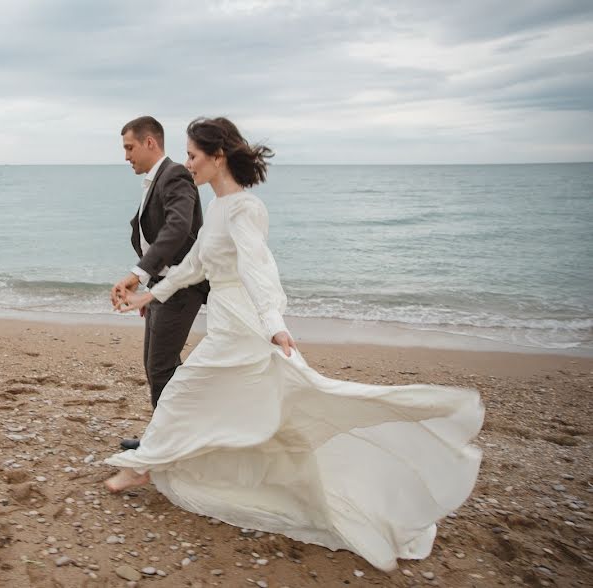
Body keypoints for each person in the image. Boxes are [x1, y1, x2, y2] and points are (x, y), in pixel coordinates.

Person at [105, 117, 484, 572]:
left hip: (243, 324)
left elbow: (258, 267)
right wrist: (150, 293)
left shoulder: (245, 209)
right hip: (226, 320)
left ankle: (144, 464)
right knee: (249, 404)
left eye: (192, 155)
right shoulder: (221, 208)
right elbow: (194, 267)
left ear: (217, 156)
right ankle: (166, 462)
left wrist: (273, 323)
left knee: (188, 391)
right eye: (185, 156)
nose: (188, 164)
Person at [110, 116, 209, 450]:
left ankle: (166, 441)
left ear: (150, 142)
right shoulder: (157, 179)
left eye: (129, 147)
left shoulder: (175, 175)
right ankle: (175, 432)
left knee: (161, 367)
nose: (126, 156)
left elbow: (178, 228)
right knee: (159, 366)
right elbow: (156, 235)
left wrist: (137, 275)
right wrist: (149, 289)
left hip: (181, 289)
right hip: (161, 287)